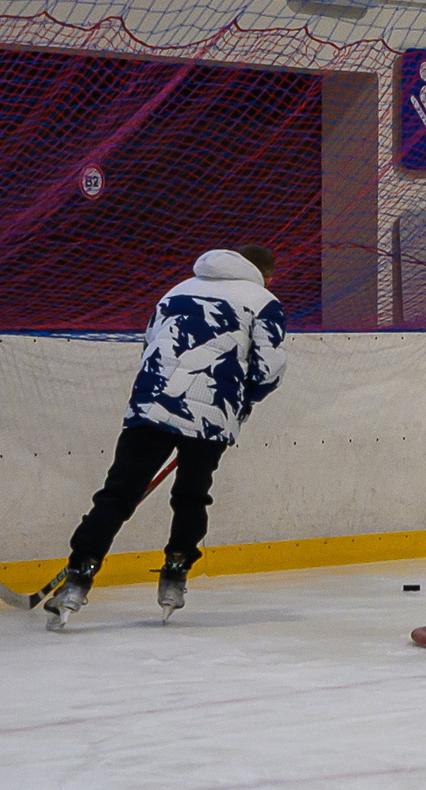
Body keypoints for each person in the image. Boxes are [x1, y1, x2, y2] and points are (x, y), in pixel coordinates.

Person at [41, 246, 287, 629]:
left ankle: (79, 574)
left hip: (151, 404)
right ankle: (175, 570)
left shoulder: (177, 289)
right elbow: (269, 369)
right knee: (191, 494)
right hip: (211, 414)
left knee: (118, 493)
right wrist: (243, 401)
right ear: (266, 276)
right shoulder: (263, 301)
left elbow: (151, 346)